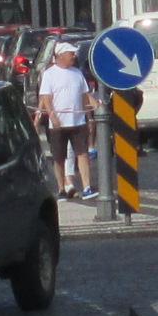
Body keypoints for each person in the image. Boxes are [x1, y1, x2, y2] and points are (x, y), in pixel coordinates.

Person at [37, 39, 95, 199]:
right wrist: (52, 115)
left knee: (82, 154)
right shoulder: (49, 74)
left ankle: (87, 187)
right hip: (59, 124)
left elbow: (85, 95)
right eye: (71, 54)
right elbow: (46, 97)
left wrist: (90, 113)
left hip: (78, 122)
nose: (74, 56)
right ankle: (61, 188)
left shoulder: (77, 73)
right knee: (59, 157)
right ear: (61, 55)